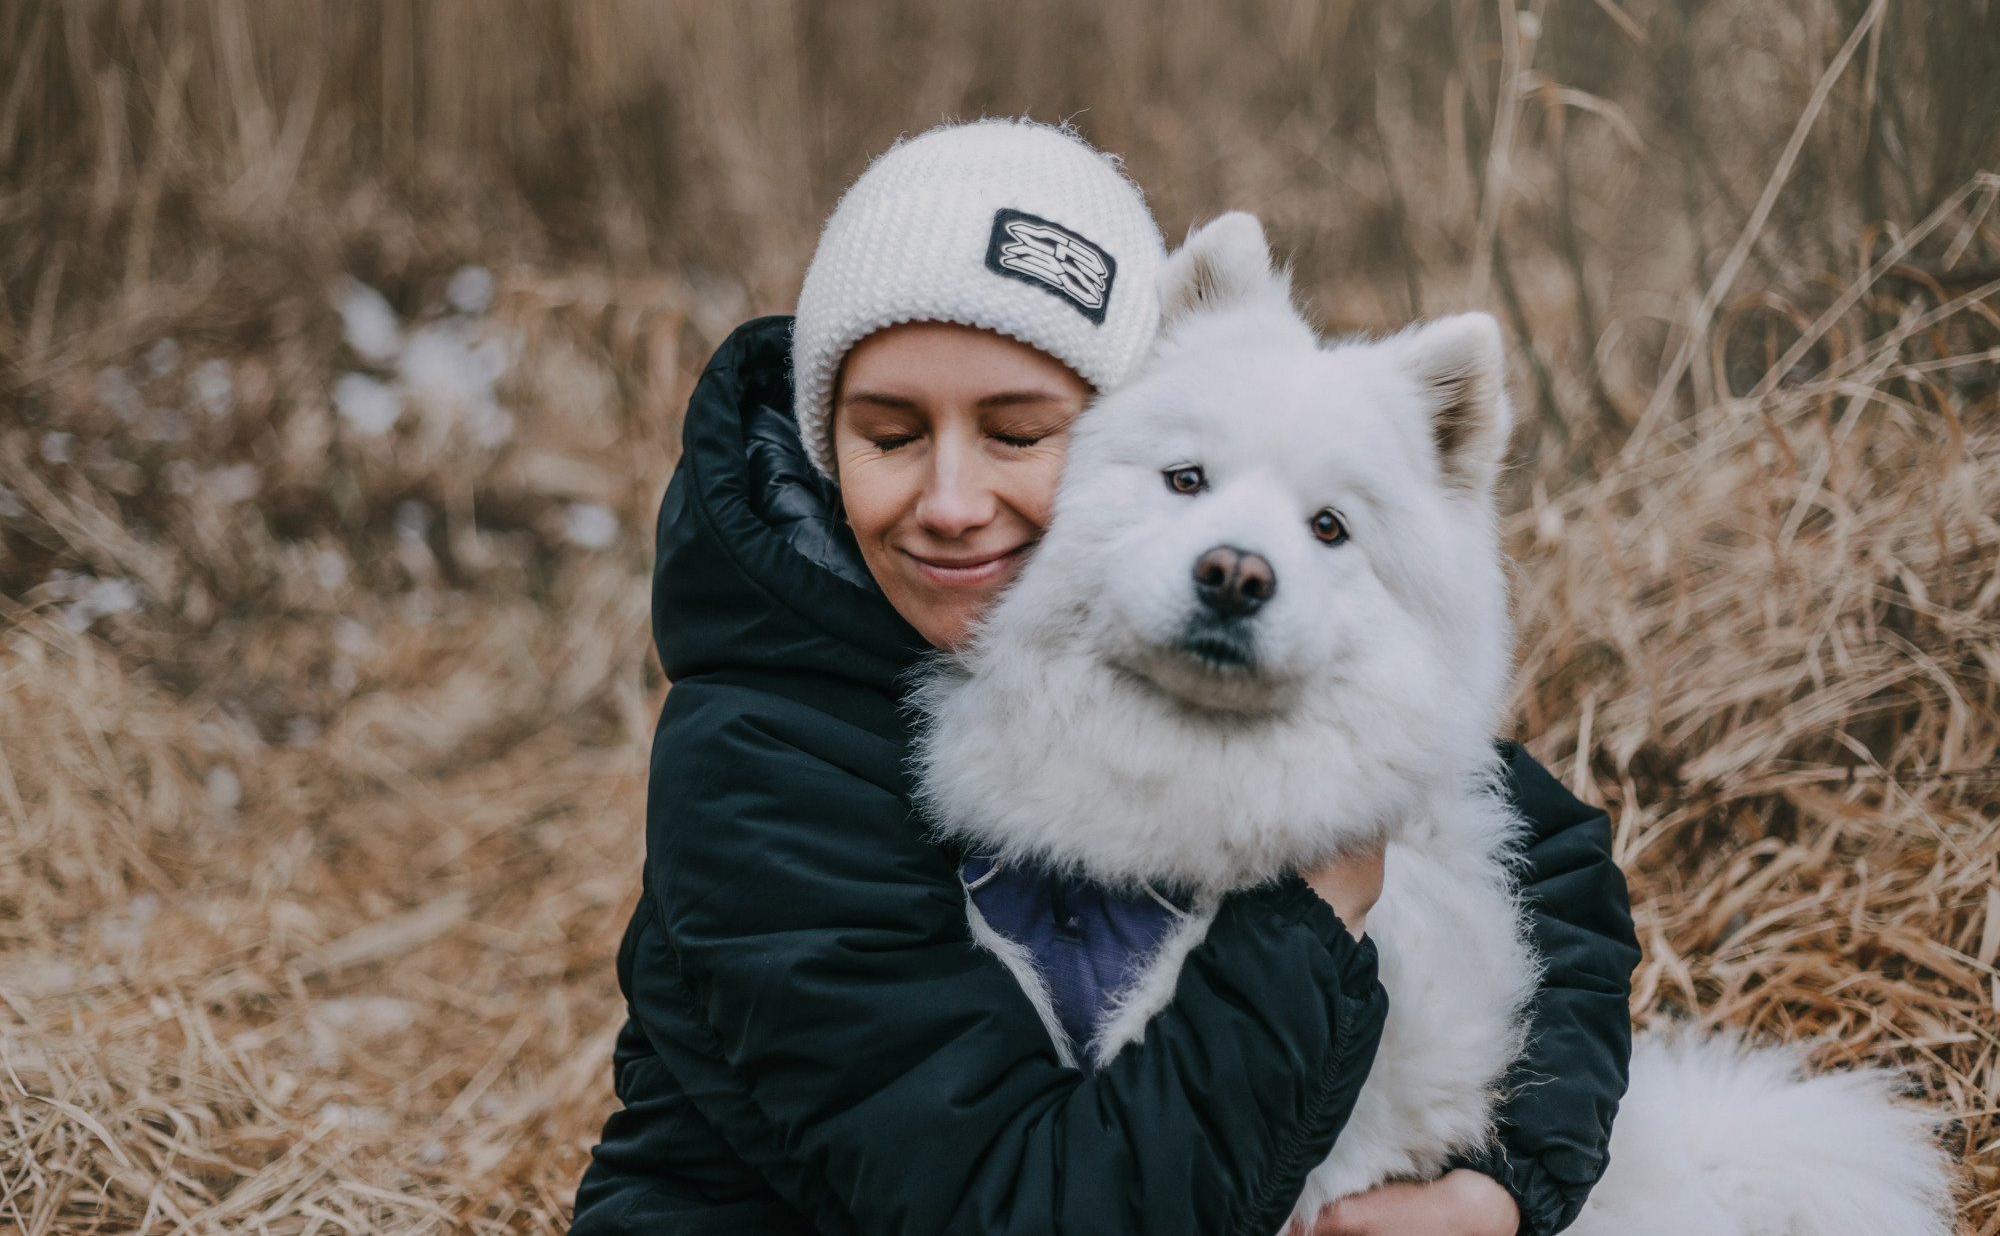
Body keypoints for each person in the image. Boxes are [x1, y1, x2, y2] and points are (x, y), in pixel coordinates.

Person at [569, 119, 1639, 1236]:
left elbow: (1553, 870)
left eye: (1017, 434)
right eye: (889, 436)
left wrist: (1505, 1192)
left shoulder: (1195, 655)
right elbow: (1025, 1208)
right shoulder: (763, 754)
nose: (949, 503)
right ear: (824, 441)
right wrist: (1315, 909)